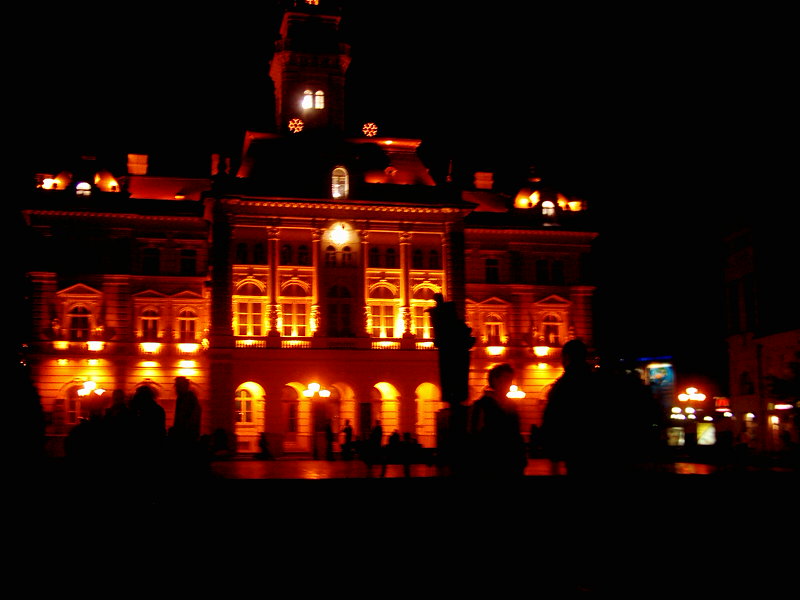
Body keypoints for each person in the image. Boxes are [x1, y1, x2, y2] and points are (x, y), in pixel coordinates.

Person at [541, 339, 605, 476]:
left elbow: (552, 418)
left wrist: (553, 451)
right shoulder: (598, 382)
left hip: (573, 448)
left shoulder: (564, 385)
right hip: (597, 447)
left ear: (566, 357)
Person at [466, 363, 527, 479]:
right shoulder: (482, 407)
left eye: (510, 379)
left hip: (507, 464)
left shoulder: (510, 406)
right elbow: (474, 437)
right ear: (495, 380)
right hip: (491, 464)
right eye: (506, 379)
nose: (509, 383)